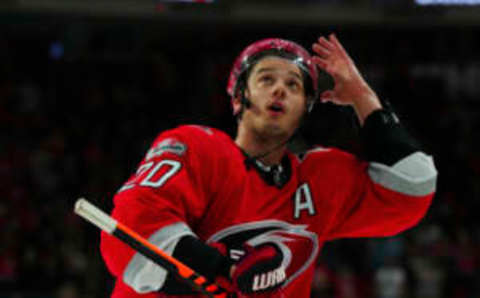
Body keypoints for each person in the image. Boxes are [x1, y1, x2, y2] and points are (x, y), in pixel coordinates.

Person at [100, 34, 437, 298]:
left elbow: (412, 190)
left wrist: (364, 99)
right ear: (237, 98)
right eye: (265, 79)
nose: (280, 89)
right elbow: (130, 233)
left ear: (305, 109)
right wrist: (225, 270)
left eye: (293, 85)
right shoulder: (198, 148)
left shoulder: (319, 181)